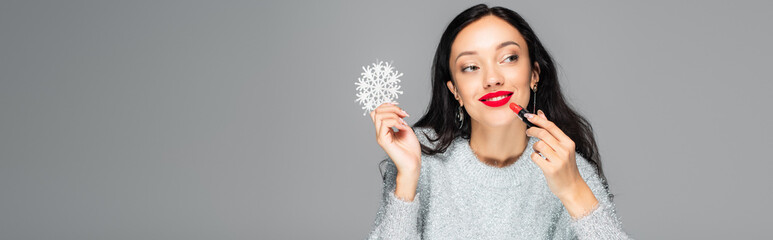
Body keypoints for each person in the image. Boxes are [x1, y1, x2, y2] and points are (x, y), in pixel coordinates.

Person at [365, 4, 632, 240]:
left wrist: (574, 191)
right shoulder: (420, 160)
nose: (492, 78)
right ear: (455, 90)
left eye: (509, 58)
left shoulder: (569, 167)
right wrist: (408, 178)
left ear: (534, 74)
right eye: (470, 66)